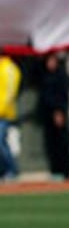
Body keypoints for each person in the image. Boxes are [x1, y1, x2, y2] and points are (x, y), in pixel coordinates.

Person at [36, 52, 69, 181]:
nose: (50, 64)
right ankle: (55, 171)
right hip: (47, 113)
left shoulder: (61, 75)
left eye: (53, 60)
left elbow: (63, 95)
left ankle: (66, 171)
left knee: (62, 143)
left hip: (58, 112)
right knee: (50, 145)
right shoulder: (44, 74)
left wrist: (60, 111)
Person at [0, 49, 20, 182]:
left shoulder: (9, 68)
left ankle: (12, 170)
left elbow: (9, 93)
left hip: (5, 114)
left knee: (0, 141)